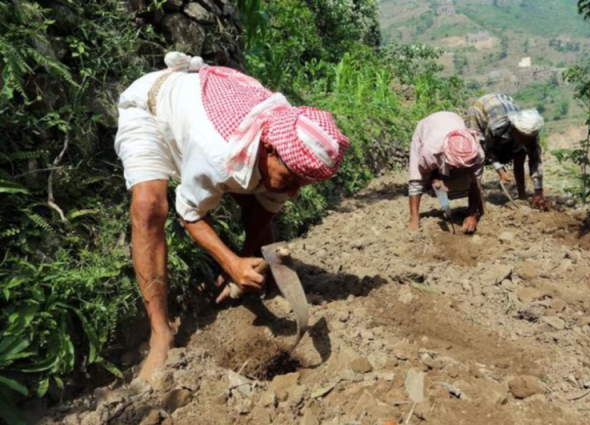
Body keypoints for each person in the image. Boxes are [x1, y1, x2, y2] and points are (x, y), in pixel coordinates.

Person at [115, 52, 350, 381]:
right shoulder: (218, 153)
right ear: (268, 149)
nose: (295, 192)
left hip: (204, 114)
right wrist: (230, 263)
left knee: (260, 201)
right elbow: (189, 213)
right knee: (149, 209)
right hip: (152, 107)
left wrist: (246, 257)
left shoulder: (288, 144)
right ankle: (160, 334)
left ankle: (255, 270)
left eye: (303, 185)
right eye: (292, 180)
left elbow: (265, 209)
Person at [465, 93, 549, 210]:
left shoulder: (532, 133)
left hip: (503, 102)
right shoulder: (496, 129)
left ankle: (522, 197)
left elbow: (535, 160)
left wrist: (539, 192)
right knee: (476, 152)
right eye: (523, 137)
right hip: (480, 110)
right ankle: (478, 199)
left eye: (528, 138)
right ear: (515, 129)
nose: (526, 141)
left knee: (520, 152)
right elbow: (487, 150)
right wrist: (500, 171)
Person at [408, 111, 486, 234]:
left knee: (473, 180)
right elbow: (424, 174)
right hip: (429, 128)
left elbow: (476, 183)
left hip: (452, 119)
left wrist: (471, 214)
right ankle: (414, 218)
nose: (461, 170)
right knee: (416, 178)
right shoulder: (430, 151)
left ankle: (479, 209)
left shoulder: (478, 153)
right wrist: (435, 179)